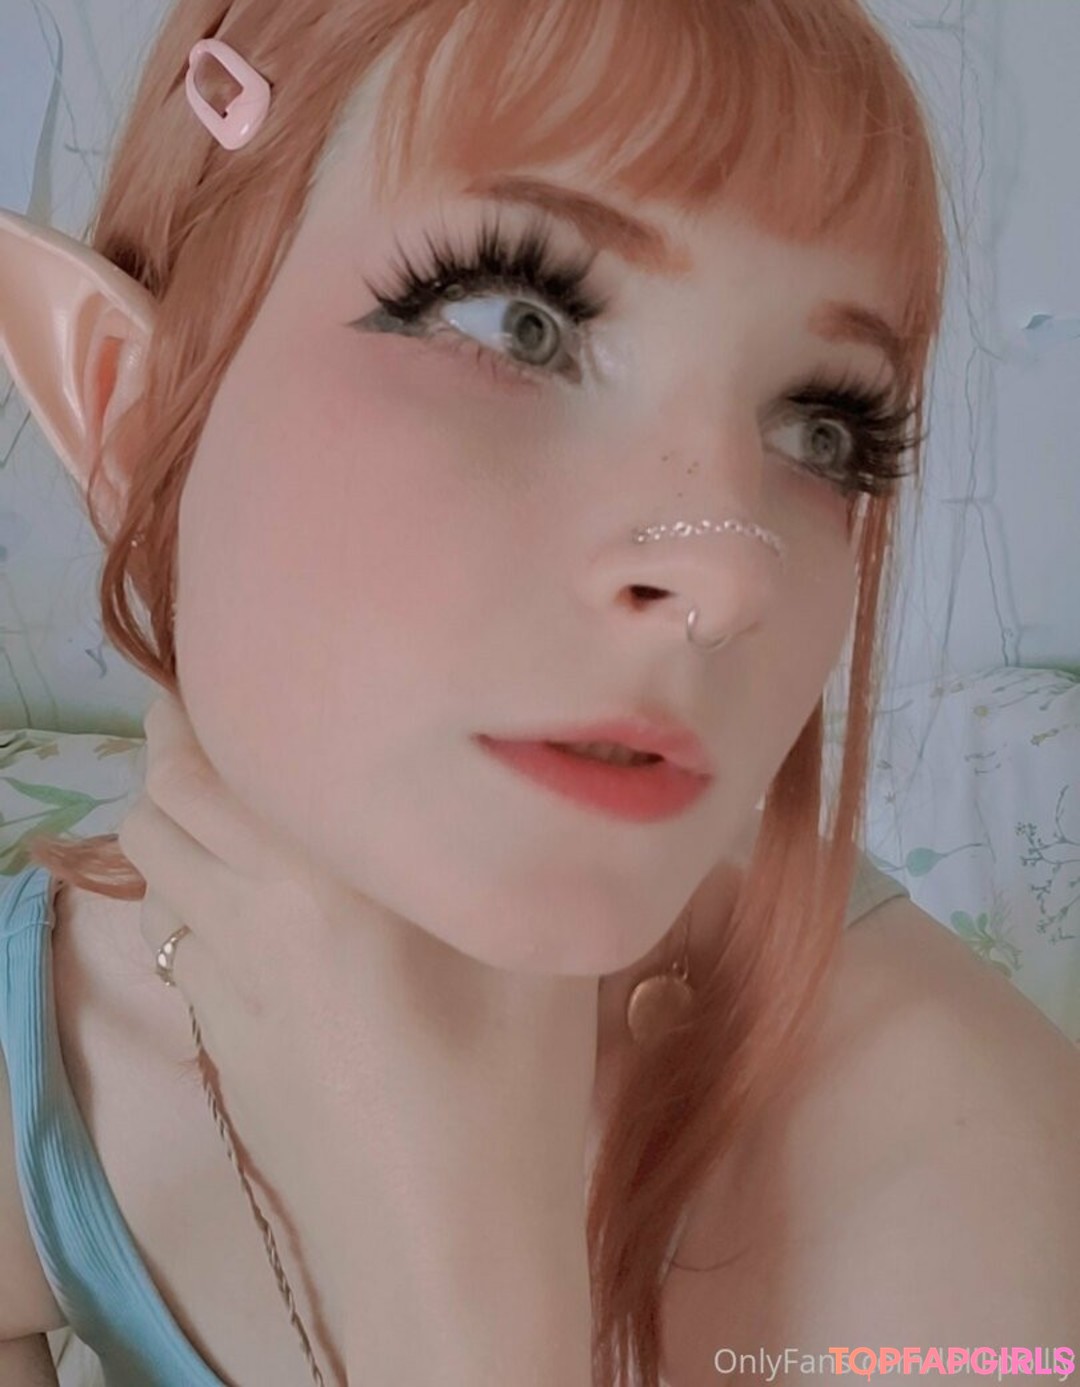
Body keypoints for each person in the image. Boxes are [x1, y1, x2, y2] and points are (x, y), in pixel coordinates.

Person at [1, 1, 1078, 1384]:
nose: (729, 574)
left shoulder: (969, 1180)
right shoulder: (52, 1026)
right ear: (129, 408)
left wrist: (470, 1312)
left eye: (824, 427)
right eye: (521, 321)